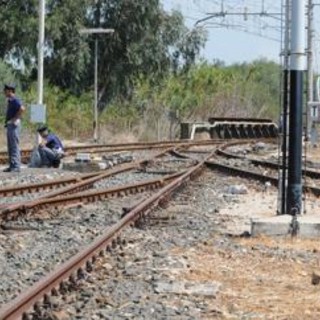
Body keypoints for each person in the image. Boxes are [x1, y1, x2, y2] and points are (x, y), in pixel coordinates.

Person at [3, 84, 25, 172]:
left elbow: (22, 108)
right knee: (10, 146)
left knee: (14, 146)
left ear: (10, 91)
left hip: (14, 125)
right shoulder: (10, 101)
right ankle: (12, 166)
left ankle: (16, 167)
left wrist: (15, 118)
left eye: (6, 90)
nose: (4, 92)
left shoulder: (15, 100)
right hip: (10, 125)